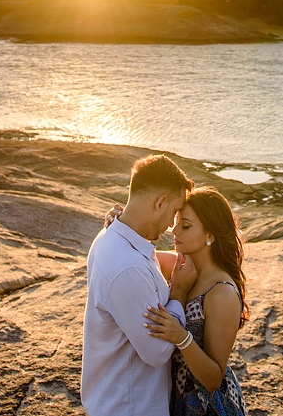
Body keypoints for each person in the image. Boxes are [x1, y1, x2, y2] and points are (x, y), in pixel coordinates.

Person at [82, 155, 197, 416]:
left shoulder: (112, 236)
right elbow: (158, 352)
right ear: (160, 202)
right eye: (174, 212)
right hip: (130, 407)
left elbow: (151, 267)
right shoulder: (127, 267)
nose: (171, 226)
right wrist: (179, 292)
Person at [145, 186, 249, 416]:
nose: (174, 230)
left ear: (210, 235)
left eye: (186, 225)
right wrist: (118, 223)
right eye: (176, 222)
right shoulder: (177, 266)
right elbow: (135, 256)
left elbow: (214, 378)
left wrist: (181, 337)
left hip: (208, 407)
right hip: (170, 398)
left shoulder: (222, 292)